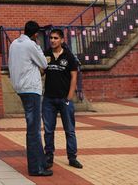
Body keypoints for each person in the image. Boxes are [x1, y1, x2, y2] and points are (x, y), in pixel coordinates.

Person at [8, 20, 51, 177]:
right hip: (31, 89)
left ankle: (41, 163)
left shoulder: (14, 44)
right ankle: (36, 168)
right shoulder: (31, 45)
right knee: (33, 130)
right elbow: (44, 63)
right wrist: (38, 45)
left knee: (33, 128)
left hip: (20, 87)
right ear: (34, 34)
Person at [42, 29, 83, 170]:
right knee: (48, 130)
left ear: (62, 40)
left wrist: (69, 97)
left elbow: (74, 77)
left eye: (56, 38)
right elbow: (41, 72)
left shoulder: (69, 56)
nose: (52, 40)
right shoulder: (46, 54)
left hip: (64, 99)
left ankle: (72, 157)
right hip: (48, 99)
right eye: (51, 38)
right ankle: (49, 157)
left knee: (70, 130)